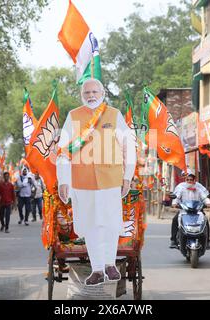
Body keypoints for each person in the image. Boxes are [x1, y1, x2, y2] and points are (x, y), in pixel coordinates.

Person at [57, 78, 136, 286]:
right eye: (87, 93)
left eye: (94, 92)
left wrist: (127, 176)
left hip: (111, 179)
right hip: (82, 182)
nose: (91, 96)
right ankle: (98, 269)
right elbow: (63, 150)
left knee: (110, 223)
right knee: (91, 225)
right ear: (82, 96)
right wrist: (63, 180)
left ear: (102, 93)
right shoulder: (73, 116)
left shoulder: (114, 114)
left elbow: (129, 146)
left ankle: (110, 264)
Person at [169, 173, 210, 249]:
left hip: (197, 211)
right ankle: (173, 241)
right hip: (184, 211)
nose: (189, 181)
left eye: (191, 180)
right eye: (188, 180)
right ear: (185, 180)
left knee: (205, 221)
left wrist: (208, 202)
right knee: (175, 220)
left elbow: (204, 197)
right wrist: (174, 203)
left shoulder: (199, 189)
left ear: (194, 181)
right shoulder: (182, 189)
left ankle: (207, 242)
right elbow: (177, 198)